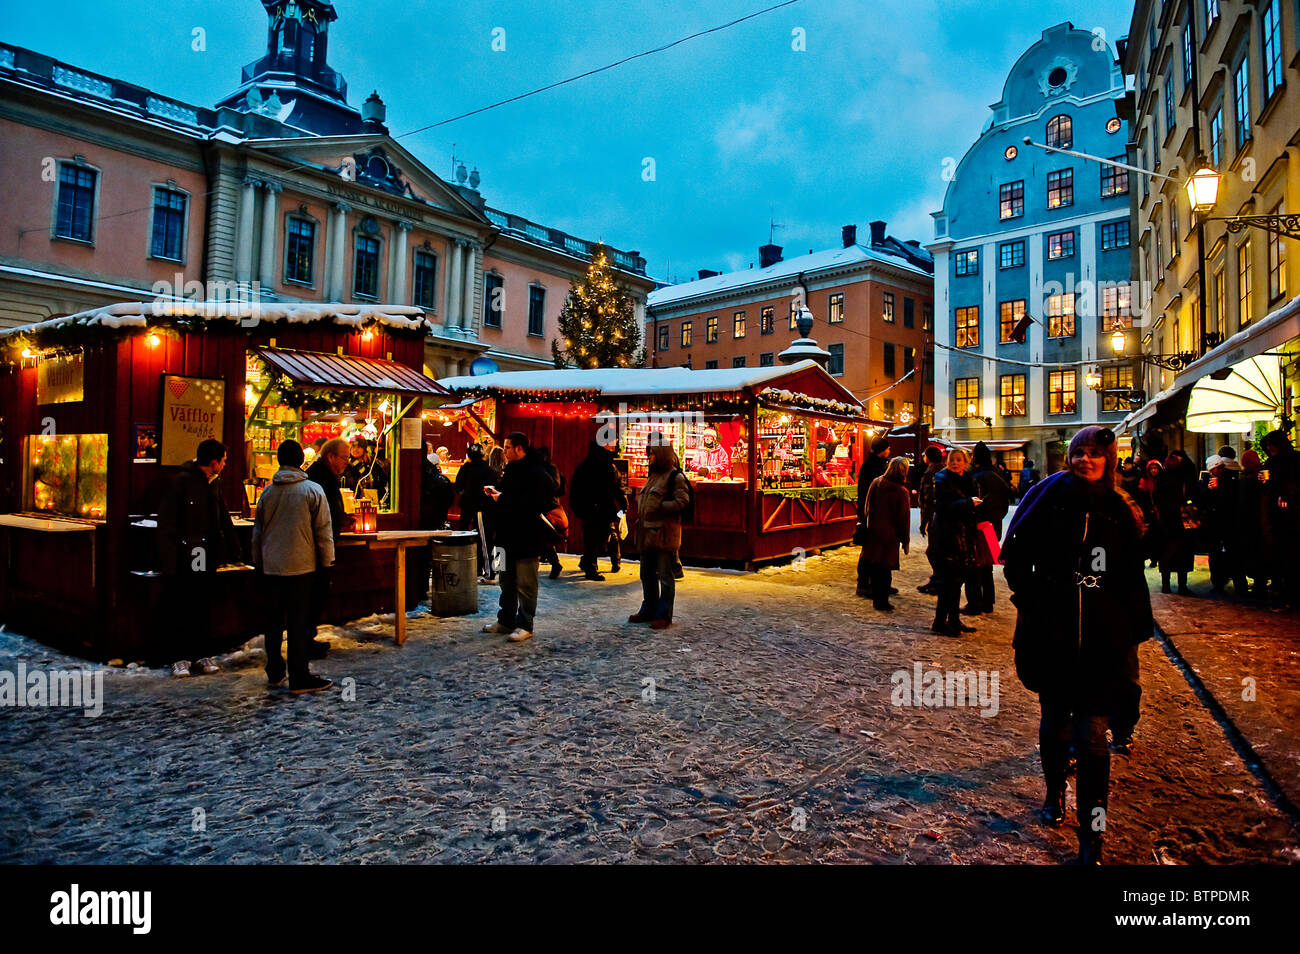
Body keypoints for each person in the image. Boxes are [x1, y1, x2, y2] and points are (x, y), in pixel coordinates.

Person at [1001, 426, 1152, 864]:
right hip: (1054, 633)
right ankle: (1054, 792)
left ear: (1110, 459)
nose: (1086, 460)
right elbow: (1016, 555)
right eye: (1079, 452)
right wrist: (1034, 598)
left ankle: (1093, 833)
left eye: (1094, 453)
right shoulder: (1049, 497)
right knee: (1054, 723)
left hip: (1103, 641)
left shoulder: (1120, 507)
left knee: (1092, 738)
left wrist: (1128, 628)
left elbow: (1130, 574)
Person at [252, 440, 335, 694]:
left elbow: (258, 533)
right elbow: (323, 532)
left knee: (274, 621)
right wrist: (327, 562)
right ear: (302, 461)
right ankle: (299, 675)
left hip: (272, 566)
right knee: (298, 622)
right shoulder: (312, 490)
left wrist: (258, 562)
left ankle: (275, 670)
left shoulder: (268, 492)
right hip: (301, 566)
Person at [157, 438, 242, 676]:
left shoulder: (214, 483)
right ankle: (179, 657)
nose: (225, 465)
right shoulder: (181, 482)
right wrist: (169, 561)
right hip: (185, 555)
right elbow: (167, 524)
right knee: (182, 606)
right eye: (223, 461)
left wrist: (232, 549)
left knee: (203, 605)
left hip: (206, 555)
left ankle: (202, 654)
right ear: (214, 462)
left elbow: (222, 516)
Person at [481, 432, 555, 642]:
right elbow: (510, 498)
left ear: (519, 448)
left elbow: (534, 503)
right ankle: (505, 620)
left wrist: (502, 498)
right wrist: (497, 495)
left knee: (525, 583)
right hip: (504, 537)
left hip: (526, 538)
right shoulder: (511, 470)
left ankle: (525, 623)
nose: (504, 452)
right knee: (505, 580)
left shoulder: (536, 473)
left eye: (507, 447)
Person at [630, 432, 691, 629]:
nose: (650, 457)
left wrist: (663, 507)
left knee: (665, 575)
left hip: (664, 534)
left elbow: (683, 501)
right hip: (647, 532)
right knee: (646, 573)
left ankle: (664, 614)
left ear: (662, 454)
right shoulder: (653, 475)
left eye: (653, 454)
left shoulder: (675, 476)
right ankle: (648, 609)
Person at [304, 437, 353, 657]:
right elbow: (321, 515)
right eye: (344, 457)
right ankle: (305, 641)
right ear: (330, 456)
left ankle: (307, 638)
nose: (347, 461)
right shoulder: (319, 479)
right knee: (315, 592)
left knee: (317, 592)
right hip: (317, 546)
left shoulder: (325, 476)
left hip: (321, 542)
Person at [928, 447, 981, 637]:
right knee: (949, 581)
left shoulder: (968, 481)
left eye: (959, 460)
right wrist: (968, 503)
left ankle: (952, 620)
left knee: (956, 582)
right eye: (952, 459)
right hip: (947, 537)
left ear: (965, 463)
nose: (955, 462)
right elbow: (942, 508)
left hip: (964, 536)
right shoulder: (942, 481)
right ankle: (941, 622)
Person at [857, 456, 911, 611]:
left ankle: (875, 595)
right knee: (885, 569)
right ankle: (882, 601)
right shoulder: (901, 491)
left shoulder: (876, 482)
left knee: (874, 565)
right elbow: (903, 519)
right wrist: (905, 541)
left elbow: (867, 506)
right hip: (889, 535)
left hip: (873, 531)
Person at [571, 440, 628, 581]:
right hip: (599, 508)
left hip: (593, 508)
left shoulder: (588, 464)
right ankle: (590, 566)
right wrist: (623, 503)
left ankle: (588, 562)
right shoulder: (606, 465)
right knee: (596, 537)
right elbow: (616, 487)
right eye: (611, 444)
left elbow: (576, 488)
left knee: (595, 537)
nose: (614, 447)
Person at [964, 441, 1010, 615]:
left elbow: (973, 504)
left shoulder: (976, 477)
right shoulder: (998, 475)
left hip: (978, 527)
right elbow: (1005, 504)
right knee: (986, 566)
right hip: (994, 526)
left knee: (973, 566)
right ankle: (988, 601)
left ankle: (974, 603)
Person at [1260, 429, 1300, 611]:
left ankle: (1292, 598)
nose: (1270, 448)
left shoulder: (1294, 460)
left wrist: (1288, 495)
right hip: (1277, 518)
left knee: (1292, 558)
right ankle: (1286, 596)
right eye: (1268, 446)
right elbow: (1271, 486)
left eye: (1272, 445)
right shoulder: (1271, 462)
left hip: (1293, 517)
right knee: (1282, 559)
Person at [1201, 454, 1248, 597]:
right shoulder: (1206, 482)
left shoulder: (1231, 481)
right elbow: (1204, 502)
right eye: (1216, 469)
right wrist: (1209, 491)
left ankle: (1239, 584)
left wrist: (1220, 489)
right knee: (1216, 555)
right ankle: (1218, 583)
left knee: (1233, 554)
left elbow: (1233, 501)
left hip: (1230, 524)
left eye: (1220, 468)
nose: (1218, 471)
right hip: (1215, 525)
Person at [1152, 451, 1197, 594]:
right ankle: (1182, 586)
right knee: (1182, 554)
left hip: (1165, 522)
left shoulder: (1161, 478)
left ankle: (1166, 585)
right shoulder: (1184, 477)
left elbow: (1156, 498)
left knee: (1166, 553)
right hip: (1180, 522)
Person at [855, 436, 892, 595]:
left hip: (874, 511)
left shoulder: (876, 465)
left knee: (879, 549)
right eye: (887, 448)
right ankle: (863, 584)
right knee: (870, 548)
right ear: (882, 450)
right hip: (871, 512)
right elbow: (869, 491)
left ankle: (880, 583)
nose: (889, 451)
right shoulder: (872, 467)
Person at [455, 443, 498, 581]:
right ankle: (489, 572)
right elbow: (492, 488)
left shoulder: (465, 468)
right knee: (485, 540)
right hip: (483, 508)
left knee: (464, 537)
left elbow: (457, 486)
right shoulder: (488, 469)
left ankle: (471, 570)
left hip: (468, 508)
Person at [1237, 449, 1270, 598]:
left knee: (1254, 554)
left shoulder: (1247, 479)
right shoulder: (1260, 476)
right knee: (1260, 555)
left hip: (1250, 522)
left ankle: (1259, 585)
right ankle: (1260, 583)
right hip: (1259, 521)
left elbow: (1244, 502)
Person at [916, 445, 944, 595]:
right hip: (942, 517)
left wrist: (924, 521)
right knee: (936, 550)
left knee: (933, 551)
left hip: (934, 518)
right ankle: (937, 579)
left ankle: (938, 581)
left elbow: (928, 499)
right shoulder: (944, 471)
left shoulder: (930, 473)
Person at [536, 446, 566, 579]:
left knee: (542, 537)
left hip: (546, 507)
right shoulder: (552, 468)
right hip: (550, 505)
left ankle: (554, 563)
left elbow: (554, 486)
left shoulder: (543, 470)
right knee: (543, 537)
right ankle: (553, 562)